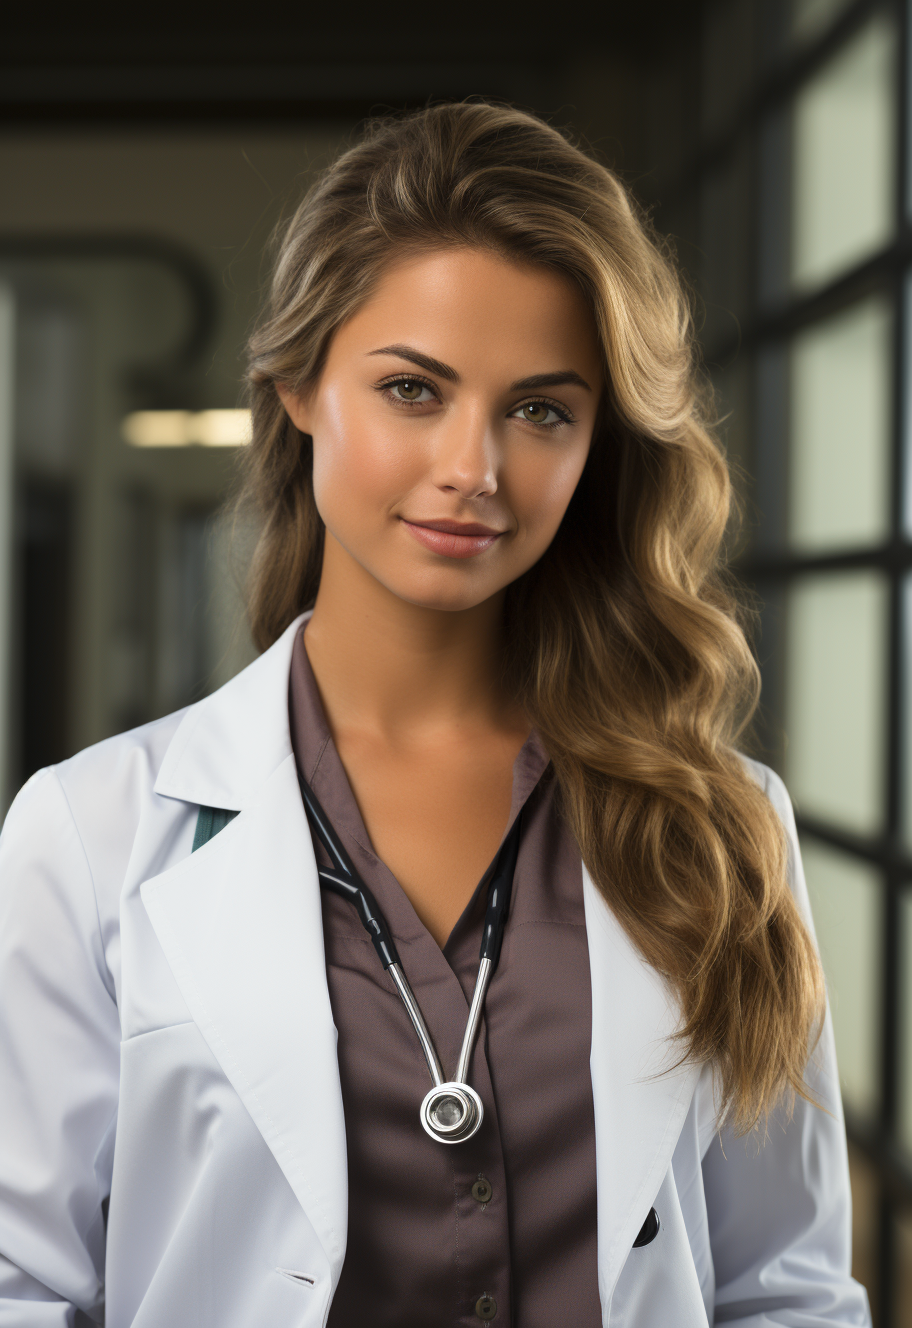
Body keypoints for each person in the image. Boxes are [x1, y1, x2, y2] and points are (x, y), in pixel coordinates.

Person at [0, 101, 870, 1327]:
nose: (476, 467)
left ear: (597, 443)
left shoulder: (724, 827)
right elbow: (21, 1286)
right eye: (414, 387)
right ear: (297, 385)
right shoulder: (87, 834)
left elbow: (786, 1287)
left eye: (541, 409)